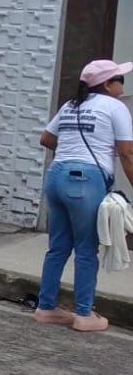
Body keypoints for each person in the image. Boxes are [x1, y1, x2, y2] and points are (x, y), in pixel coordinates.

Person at [35, 60, 133, 333]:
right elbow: (127, 152)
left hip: (56, 176)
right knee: (87, 249)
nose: (122, 85)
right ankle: (84, 314)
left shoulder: (70, 105)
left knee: (58, 247)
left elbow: (46, 139)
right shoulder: (116, 107)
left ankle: (46, 308)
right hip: (85, 181)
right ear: (107, 84)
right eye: (119, 80)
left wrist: (72, 146)